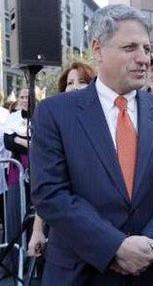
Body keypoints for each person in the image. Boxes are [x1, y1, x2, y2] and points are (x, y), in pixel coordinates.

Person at [30, 4, 153, 286]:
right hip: (81, 272)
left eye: (147, 48)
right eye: (130, 47)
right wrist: (114, 246)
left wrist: (148, 246)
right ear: (97, 49)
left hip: (152, 270)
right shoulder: (54, 113)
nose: (143, 58)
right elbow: (50, 192)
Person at [27, 61, 96, 258]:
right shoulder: (55, 126)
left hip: (102, 225)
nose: (74, 86)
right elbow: (48, 186)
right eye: (69, 82)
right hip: (66, 226)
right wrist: (37, 230)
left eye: (82, 81)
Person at [2, 88, 29, 275]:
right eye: (22, 97)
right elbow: (8, 142)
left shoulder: (43, 114)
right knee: (14, 218)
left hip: (39, 172)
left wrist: (18, 138)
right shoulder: (12, 118)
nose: (25, 100)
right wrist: (27, 140)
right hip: (16, 172)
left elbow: (44, 141)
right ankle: (14, 265)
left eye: (28, 96)